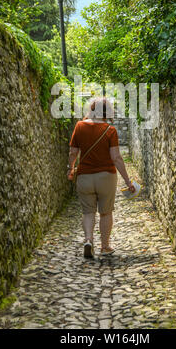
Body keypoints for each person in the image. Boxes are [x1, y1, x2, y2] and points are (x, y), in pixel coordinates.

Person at [67, 97, 136, 258]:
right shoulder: (110, 130)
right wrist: (127, 181)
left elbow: (73, 152)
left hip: (84, 177)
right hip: (106, 177)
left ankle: (88, 240)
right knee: (105, 212)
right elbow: (116, 158)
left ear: (91, 109)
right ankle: (105, 246)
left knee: (88, 212)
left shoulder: (79, 126)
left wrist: (71, 169)